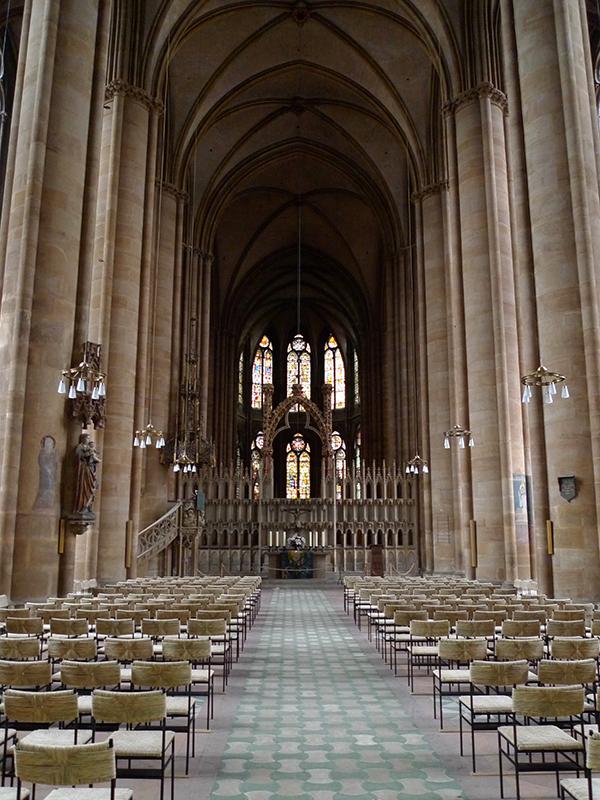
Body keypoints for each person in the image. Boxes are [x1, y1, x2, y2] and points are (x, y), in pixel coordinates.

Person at [74, 432, 101, 514]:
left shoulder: (89, 448)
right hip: (84, 470)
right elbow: (78, 455)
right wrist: (87, 454)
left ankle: (89, 506)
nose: (88, 440)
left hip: (91, 469)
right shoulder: (80, 447)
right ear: (82, 439)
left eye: (89, 438)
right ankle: (82, 506)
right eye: (87, 438)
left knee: (91, 488)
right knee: (84, 488)